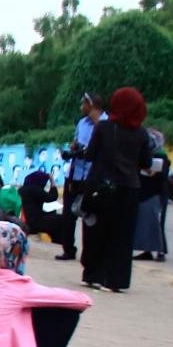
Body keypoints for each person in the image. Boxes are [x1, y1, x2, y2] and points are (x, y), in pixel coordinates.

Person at [79, 87, 149, 291]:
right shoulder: (141, 133)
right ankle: (115, 280)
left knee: (97, 231)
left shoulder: (104, 127)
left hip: (102, 188)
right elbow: (145, 162)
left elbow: (90, 155)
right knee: (122, 235)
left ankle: (93, 275)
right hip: (129, 189)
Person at [57, 93, 100, 261]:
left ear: (91, 104)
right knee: (68, 215)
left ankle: (90, 254)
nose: (81, 107)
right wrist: (73, 148)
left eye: (83, 104)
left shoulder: (104, 123)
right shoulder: (81, 123)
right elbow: (76, 142)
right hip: (74, 174)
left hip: (91, 176)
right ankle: (68, 249)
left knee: (89, 216)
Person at [132, 127, 172, 261]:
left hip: (155, 193)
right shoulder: (144, 155)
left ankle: (161, 252)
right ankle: (147, 250)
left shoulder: (161, 156)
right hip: (144, 192)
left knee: (156, 223)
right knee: (145, 223)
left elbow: (160, 175)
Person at [18, 166, 59, 245]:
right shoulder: (35, 189)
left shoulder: (22, 189)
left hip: (23, 222)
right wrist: (52, 181)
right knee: (59, 219)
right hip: (33, 223)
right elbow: (53, 197)